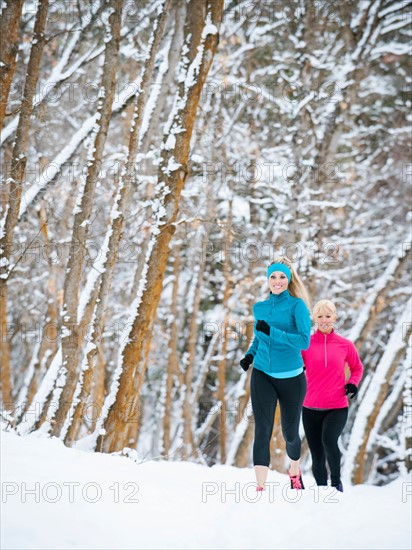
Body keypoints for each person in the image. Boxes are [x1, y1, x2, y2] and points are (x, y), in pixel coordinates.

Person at [239, 256, 311, 491]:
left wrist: (273, 332)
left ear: (288, 280)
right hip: (262, 374)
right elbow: (260, 337)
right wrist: (250, 355)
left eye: (282, 277)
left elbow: (304, 341)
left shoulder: (296, 306)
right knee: (262, 428)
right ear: (267, 279)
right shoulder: (259, 308)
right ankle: (260, 487)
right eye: (273, 276)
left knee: (290, 433)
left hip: (292, 377)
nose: (277, 281)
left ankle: (294, 470)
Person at [301, 299, 364, 492]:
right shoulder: (306, 344)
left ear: (334, 318)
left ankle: (336, 483)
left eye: (328, 316)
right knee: (317, 453)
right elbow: (293, 365)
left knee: (328, 440)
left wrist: (352, 384)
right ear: (315, 319)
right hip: (310, 407)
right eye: (320, 316)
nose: (324, 320)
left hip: (337, 406)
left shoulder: (345, 345)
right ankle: (321, 491)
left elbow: (357, 368)